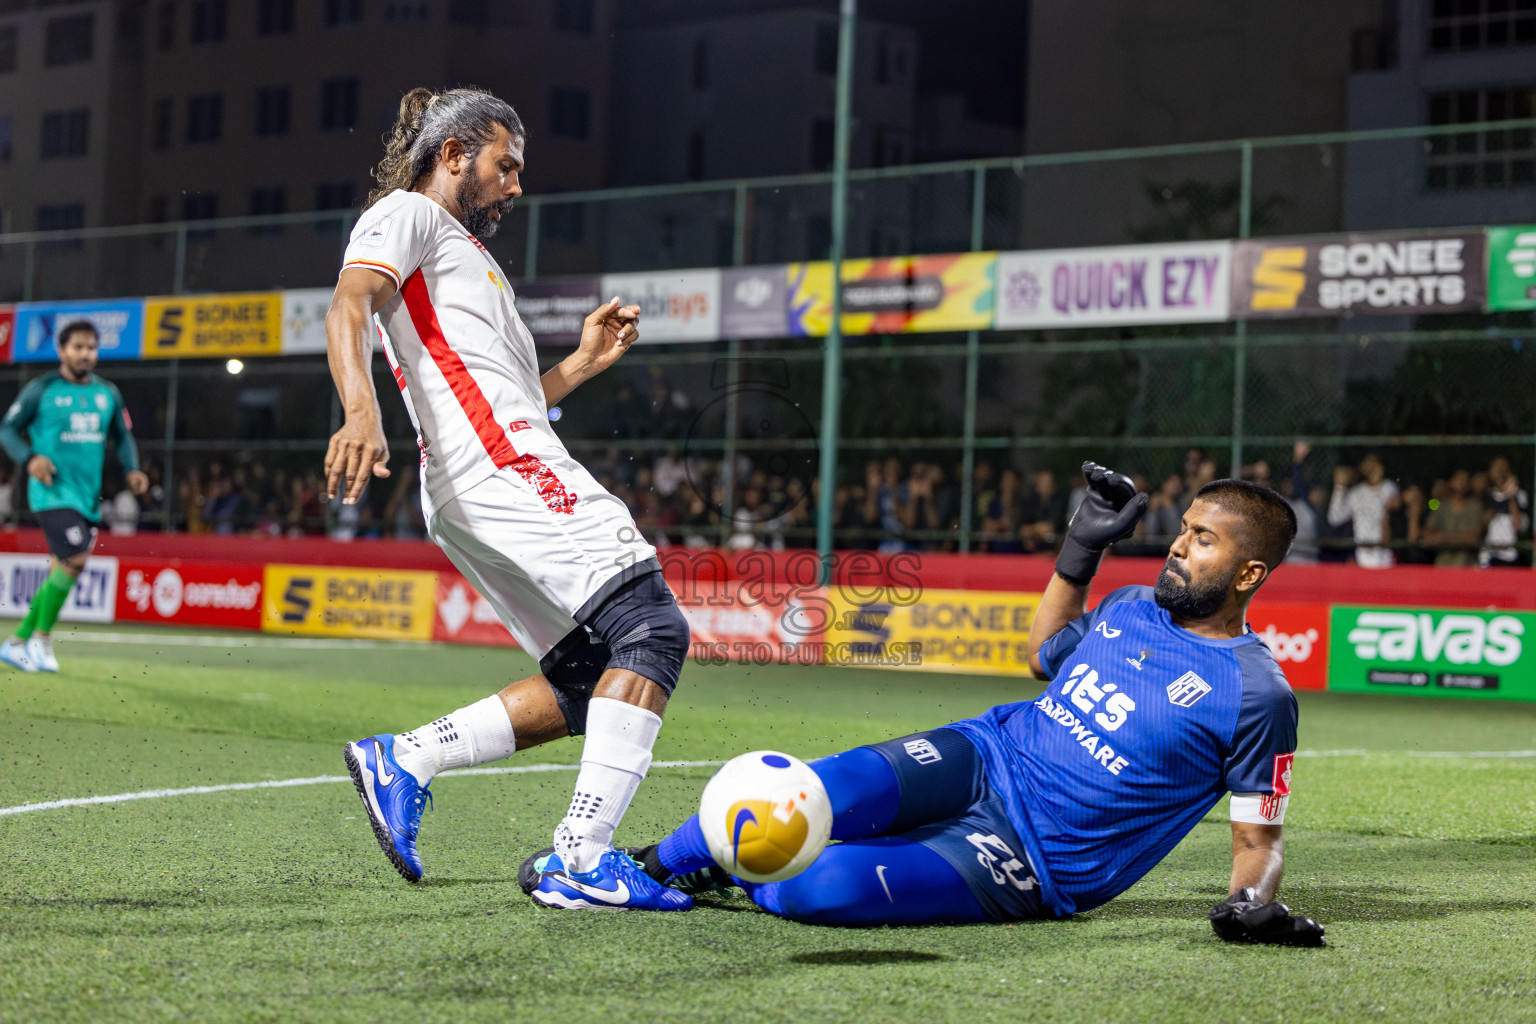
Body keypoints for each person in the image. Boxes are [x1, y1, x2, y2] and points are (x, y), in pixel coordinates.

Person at [527, 463, 1325, 947]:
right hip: (985, 752)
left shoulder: (1256, 695)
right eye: (1184, 528)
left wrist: (1250, 903)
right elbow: (1044, 655)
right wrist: (1081, 550)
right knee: (801, 793)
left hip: (1034, 860)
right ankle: (637, 871)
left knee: (816, 890)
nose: (1181, 544)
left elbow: (1259, 839)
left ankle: (728, 871)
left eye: (1205, 539)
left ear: (1249, 573)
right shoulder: (1131, 607)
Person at [324, 87, 690, 911]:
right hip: (497, 466)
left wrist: (583, 365)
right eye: (505, 165)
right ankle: (581, 858)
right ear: (452, 154)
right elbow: (350, 303)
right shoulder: (408, 215)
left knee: (589, 671)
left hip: (484, 473)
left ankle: (408, 757)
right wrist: (358, 412)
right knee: (652, 627)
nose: (515, 186)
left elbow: (515, 393)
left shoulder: (466, 258)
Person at [0, 320, 148, 672]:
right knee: (77, 556)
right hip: (51, 492)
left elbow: (123, 436)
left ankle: (16, 642)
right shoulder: (42, 389)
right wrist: (30, 458)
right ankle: (42, 639)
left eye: (91, 347)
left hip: (86, 496)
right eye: (78, 346)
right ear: (62, 350)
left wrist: (132, 468)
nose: (86, 354)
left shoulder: (107, 393)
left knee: (63, 567)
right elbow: (7, 429)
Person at [1327, 453, 1399, 569]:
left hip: (1385, 558)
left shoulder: (1389, 487)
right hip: (1362, 559)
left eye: (1374, 462)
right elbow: (1334, 519)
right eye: (1368, 462)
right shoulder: (1356, 493)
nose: (1372, 466)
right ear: (1362, 467)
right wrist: (1339, 488)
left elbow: (1395, 506)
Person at [1422, 469, 1485, 567]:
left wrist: (1443, 537)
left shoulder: (1475, 506)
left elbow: (1474, 537)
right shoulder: (1442, 506)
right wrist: (1460, 538)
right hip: (1443, 564)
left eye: (1464, 480)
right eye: (1458, 479)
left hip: (1466, 565)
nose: (1461, 483)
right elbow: (1427, 534)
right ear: (1451, 482)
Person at [1480, 456, 1529, 569]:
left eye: (1503, 468)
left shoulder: (1519, 495)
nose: (1500, 472)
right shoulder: (1487, 494)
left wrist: (1511, 494)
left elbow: (1517, 524)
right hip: (1490, 554)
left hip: (1511, 555)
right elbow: (1483, 523)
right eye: (1496, 468)